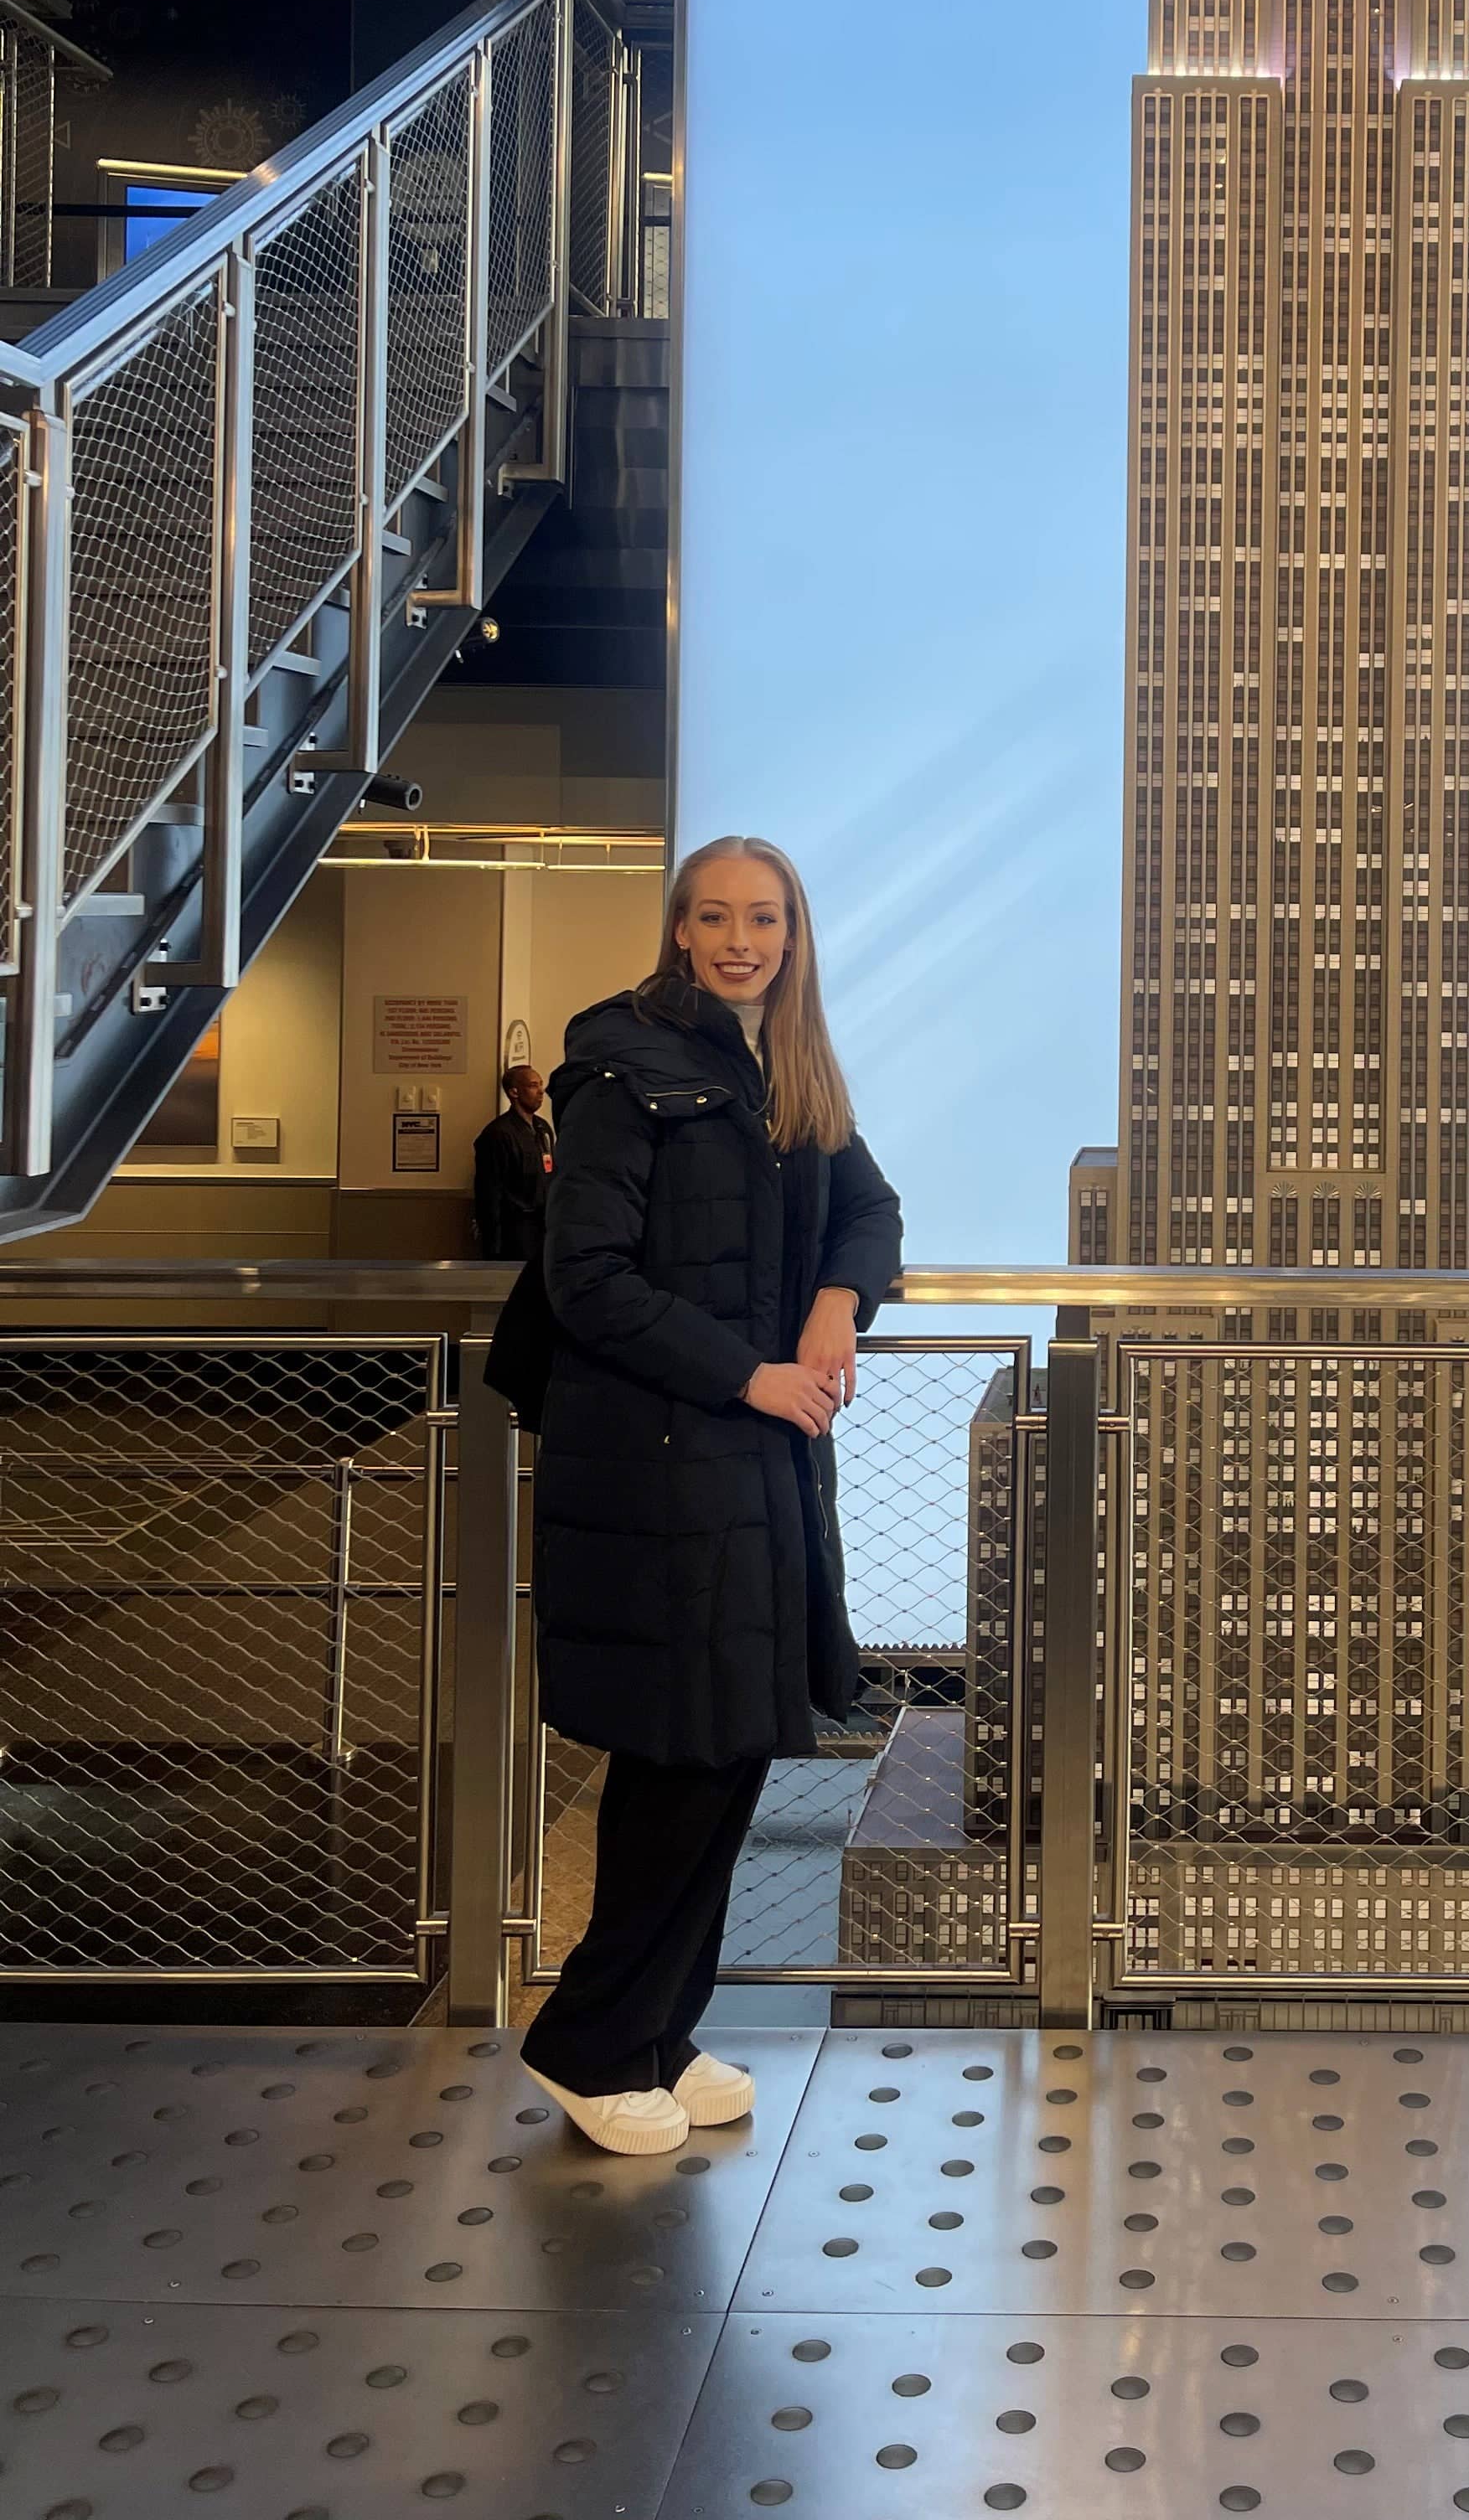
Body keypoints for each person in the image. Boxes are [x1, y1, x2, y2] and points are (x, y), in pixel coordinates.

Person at [520, 834, 902, 2154]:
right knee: (681, 1758)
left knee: (731, 1749)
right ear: (679, 930)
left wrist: (838, 1307)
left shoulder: (784, 1068)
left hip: (754, 1457)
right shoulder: (623, 1061)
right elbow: (590, 1281)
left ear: (792, 938)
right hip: (664, 1460)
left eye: (767, 919)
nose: (742, 940)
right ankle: (586, 2042)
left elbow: (872, 1208)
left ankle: (661, 2034)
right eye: (717, 917)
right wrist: (752, 1375)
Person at [471, 1061, 552, 1260]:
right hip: (515, 1228)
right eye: (533, 1086)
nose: (541, 1091)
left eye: (541, 1084)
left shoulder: (542, 1128)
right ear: (514, 1092)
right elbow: (489, 1190)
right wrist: (492, 1240)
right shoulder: (498, 1134)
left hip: (544, 1224)